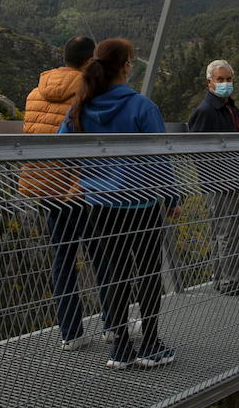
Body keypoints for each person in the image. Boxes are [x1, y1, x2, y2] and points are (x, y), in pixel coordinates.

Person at [60, 38, 180, 370]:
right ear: (126, 65)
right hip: (140, 203)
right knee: (148, 273)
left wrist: (87, 175)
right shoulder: (142, 107)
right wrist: (171, 197)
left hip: (99, 203)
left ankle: (121, 347)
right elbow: (160, 160)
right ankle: (151, 343)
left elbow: (59, 147)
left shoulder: (81, 106)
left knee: (114, 274)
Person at [19, 36, 103, 350]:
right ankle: (113, 324)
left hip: (45, 187)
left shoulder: (33, 94)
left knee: (63, 257)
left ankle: (71, 333)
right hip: (81, 187)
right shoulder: (91, 92)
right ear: (91, 60)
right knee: (101, 256)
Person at [187, 59, 239, 297]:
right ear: (210, 83)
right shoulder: (206, 111)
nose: (225, 83)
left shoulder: (230, 108)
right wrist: (217, 175)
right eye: (220, 80)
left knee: (224, 230)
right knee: (228, 231)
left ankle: (222, 278)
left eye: (228, 79)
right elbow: (196, 151)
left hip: (233, 179)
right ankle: (230, 281)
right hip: (220, 181)